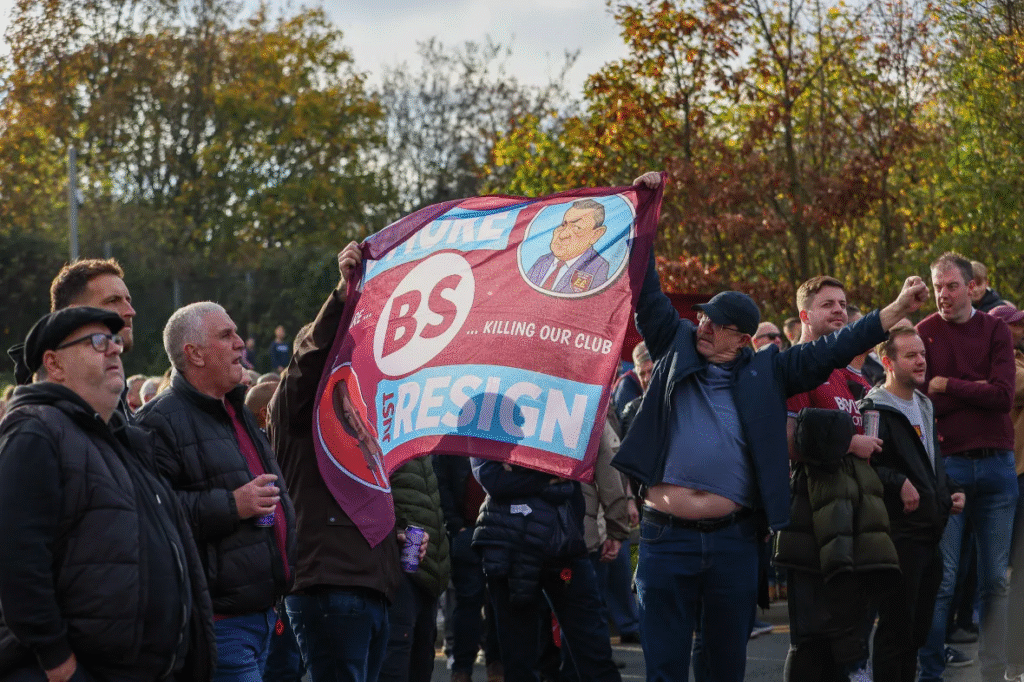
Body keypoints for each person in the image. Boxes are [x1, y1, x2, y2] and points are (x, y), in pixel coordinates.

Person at [611, 171, 929, 682]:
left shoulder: (768, 370)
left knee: (724, 667)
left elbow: (834, 348)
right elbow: (645, 287)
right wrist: (642, 207)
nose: (703, 325)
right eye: (703, 318)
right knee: (664, 668)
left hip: (733, 542)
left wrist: (891, 311)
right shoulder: (673, 344)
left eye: (715, 323)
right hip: (664, 540)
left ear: (740, 339)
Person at [0, 307, 215, 682]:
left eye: (114, 340)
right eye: (97, 341)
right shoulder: (35, 432)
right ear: (54, 363)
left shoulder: (119, 440)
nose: (114, 349)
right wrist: (60, 664)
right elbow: (16, 560)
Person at [266, 242, 404, 682]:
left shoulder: (363, 430)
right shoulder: (295, 413)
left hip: (371, 588)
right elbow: (307, 363)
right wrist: (342, 299)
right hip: (330, 589)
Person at [136, 302, 296, 682]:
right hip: (219, 625)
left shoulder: (236, 410)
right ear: (194, 353)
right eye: (226, 335)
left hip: (266, 617)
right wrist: (232, 505)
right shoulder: (157, 422)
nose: (241, 343)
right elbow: (150, 517)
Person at [775, 275, 899, 682]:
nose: (839, 311)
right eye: (828, 304)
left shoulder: (853, 378)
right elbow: (791, 443)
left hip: (853, 518)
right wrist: (851, 444)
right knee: (811, 637)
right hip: (810, 515)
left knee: (846, 632)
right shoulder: (796, 368)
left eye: (843, 304)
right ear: (803, 314)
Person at [915, 252, 1017, 682]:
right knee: (943, 579)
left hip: (995, 467)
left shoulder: (994, 329)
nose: (943, 295)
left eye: (951, 286)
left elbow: (1002, 396)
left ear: (971, 287)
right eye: (937, 287)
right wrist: (971, 389)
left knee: (996, 581)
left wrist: (948, 385)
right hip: (949, 467)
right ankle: (931, 673)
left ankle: (993, 672)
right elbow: (924, 398)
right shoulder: (924, 333)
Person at [858, 327, 965, 682]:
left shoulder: (924, 403)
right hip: (897, 536)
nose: (921, 361)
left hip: (930, 533)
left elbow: (932, 460)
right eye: (910, 356)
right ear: (888, 362)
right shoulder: (874, 408)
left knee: (916, 633)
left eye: (922, 353)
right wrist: (896, 482)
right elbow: (866, 467)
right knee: (896, 632)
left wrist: (950, 489)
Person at [471, 457, 622, 682]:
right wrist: (548, 476)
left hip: (562, 547)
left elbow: (574, 472)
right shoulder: (489, 422)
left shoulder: (565, 421)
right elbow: (493, 479)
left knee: (592, 647)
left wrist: (524, 475)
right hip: (512, 549)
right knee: (519, 657)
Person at [433, 451, 504, 682]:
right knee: (469, 603)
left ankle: (494, 663)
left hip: (498, 531)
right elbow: (441, 484)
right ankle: (463, 668)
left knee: (498, 601)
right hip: (467, 531)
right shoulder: (452, 444)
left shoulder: (500, 433)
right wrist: (456, 527)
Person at [379, 457, 451, 682]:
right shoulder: (383, 435)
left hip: (428, 571)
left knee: (420, 664)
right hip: (398, 570)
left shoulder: (421, 448)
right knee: (395, 663)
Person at [987, 304, 1024, 682]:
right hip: (1010, 475)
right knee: (1002, 576)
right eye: (1014, 326)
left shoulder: (1015, 357)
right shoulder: (1000, 363)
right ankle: (1006, 661)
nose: (1019, 331)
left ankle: (1014, 659)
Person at [526, 199, 610, 294]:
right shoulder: (542, 261)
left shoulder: (598, 268)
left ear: (595, 235)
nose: (562, 235)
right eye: (563, 224)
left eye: (577, 228)